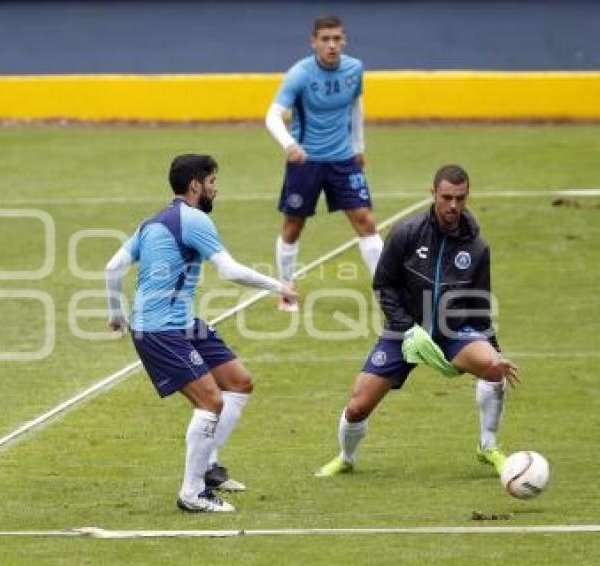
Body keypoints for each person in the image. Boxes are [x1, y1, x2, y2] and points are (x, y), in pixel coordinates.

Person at [105, 154, 298, 513]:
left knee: (239, 382)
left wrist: (116, 316)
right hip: (160, 329)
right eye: (212, 182)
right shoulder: (193, 220)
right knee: (211, 401)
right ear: (195, 185)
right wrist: (279, 285)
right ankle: (192, 494)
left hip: (182, 322)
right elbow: (230, 271)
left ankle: (208, 468)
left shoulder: (152, 223)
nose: (215, 188)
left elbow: (113, 268)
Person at [316, 164, 519, 478]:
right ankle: (346, 457)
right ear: (433, 194)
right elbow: (383, 285)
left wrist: (495, 349)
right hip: (404, 330)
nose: (453, 205)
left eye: (460, 198)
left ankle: (488, 446)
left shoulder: (477, 248)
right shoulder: (406, 233)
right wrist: (406, 329)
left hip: (452, 330)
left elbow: (479, 306)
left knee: (493, 366)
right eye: (446, 197)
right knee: (357, 407)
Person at [266, 14, 383, 311]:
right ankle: (286, 288)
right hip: (307, 162)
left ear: (344, 40)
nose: (332, 45)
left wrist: (358, 146)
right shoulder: (300, 75)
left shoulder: (354, 69)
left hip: (344, 159)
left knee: (366, 221)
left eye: (337, 39)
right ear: (314, 42)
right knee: (293, 226)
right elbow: (273, 115)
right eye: (325, 39)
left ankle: (386, 293)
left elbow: (356, 106)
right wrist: (289, 145)